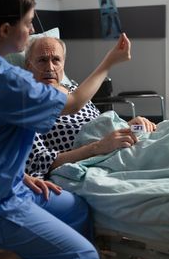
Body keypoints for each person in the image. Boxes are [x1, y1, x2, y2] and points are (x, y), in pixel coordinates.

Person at [0, 0, 131, 259]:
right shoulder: (8, 81)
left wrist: (17, 173)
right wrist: (108, 62)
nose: (31, 31)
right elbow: (74, 102)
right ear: (5, 30)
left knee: (76, 209)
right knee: (84, 255)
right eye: (27, 24)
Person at [25, 36, 156, 178]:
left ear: (64, 64)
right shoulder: (27, 105)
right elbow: (40, 162)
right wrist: (98, 147)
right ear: (28, 65)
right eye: (42, 60)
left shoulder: (74, 88)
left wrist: (129, 126)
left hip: (122, 144)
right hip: (100, 159)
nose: (50, 67)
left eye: (56, 60)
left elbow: (99, 126)